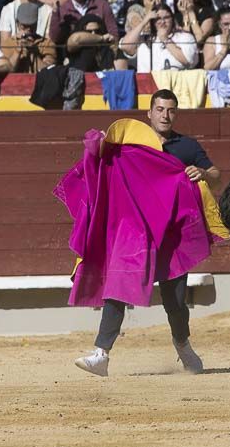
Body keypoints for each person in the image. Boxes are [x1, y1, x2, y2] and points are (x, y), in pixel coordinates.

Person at [75, 90, 217, 377]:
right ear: (149, 113)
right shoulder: (130, 144)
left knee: (175, 302)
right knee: (118, 286)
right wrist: (98, 144)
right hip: (137, 232)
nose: (165, 115)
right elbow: (99, 162)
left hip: (171, 236)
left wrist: (202, 173)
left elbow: (216, 173)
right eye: (160, 109)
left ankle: (182, 344)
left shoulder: (186, 146)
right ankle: (101, 353)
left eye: (171, 110)